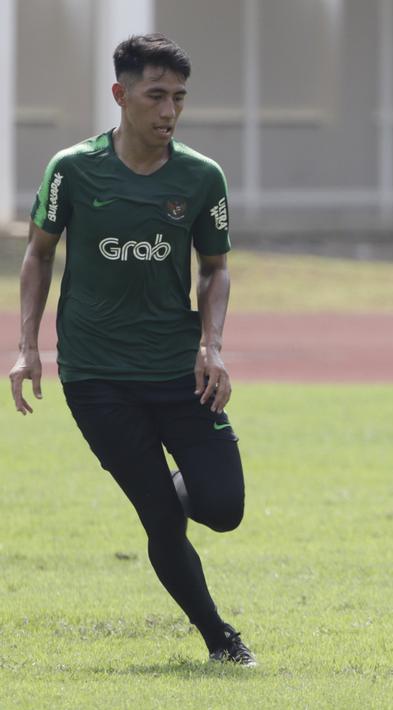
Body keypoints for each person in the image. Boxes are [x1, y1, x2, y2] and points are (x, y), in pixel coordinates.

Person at [8, 34, 254, 666]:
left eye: (179, 97)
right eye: (156, 95)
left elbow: (216, 269)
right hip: (96, 378)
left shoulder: (201, 177)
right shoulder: (72, 169)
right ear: (121, 94)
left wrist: (213, 346)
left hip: (180, 371)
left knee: (223, 508)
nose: (169, 110)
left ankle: (166, 481)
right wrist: (26, 346)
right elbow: (38, 254)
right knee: (162, 522)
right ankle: (221, 639)